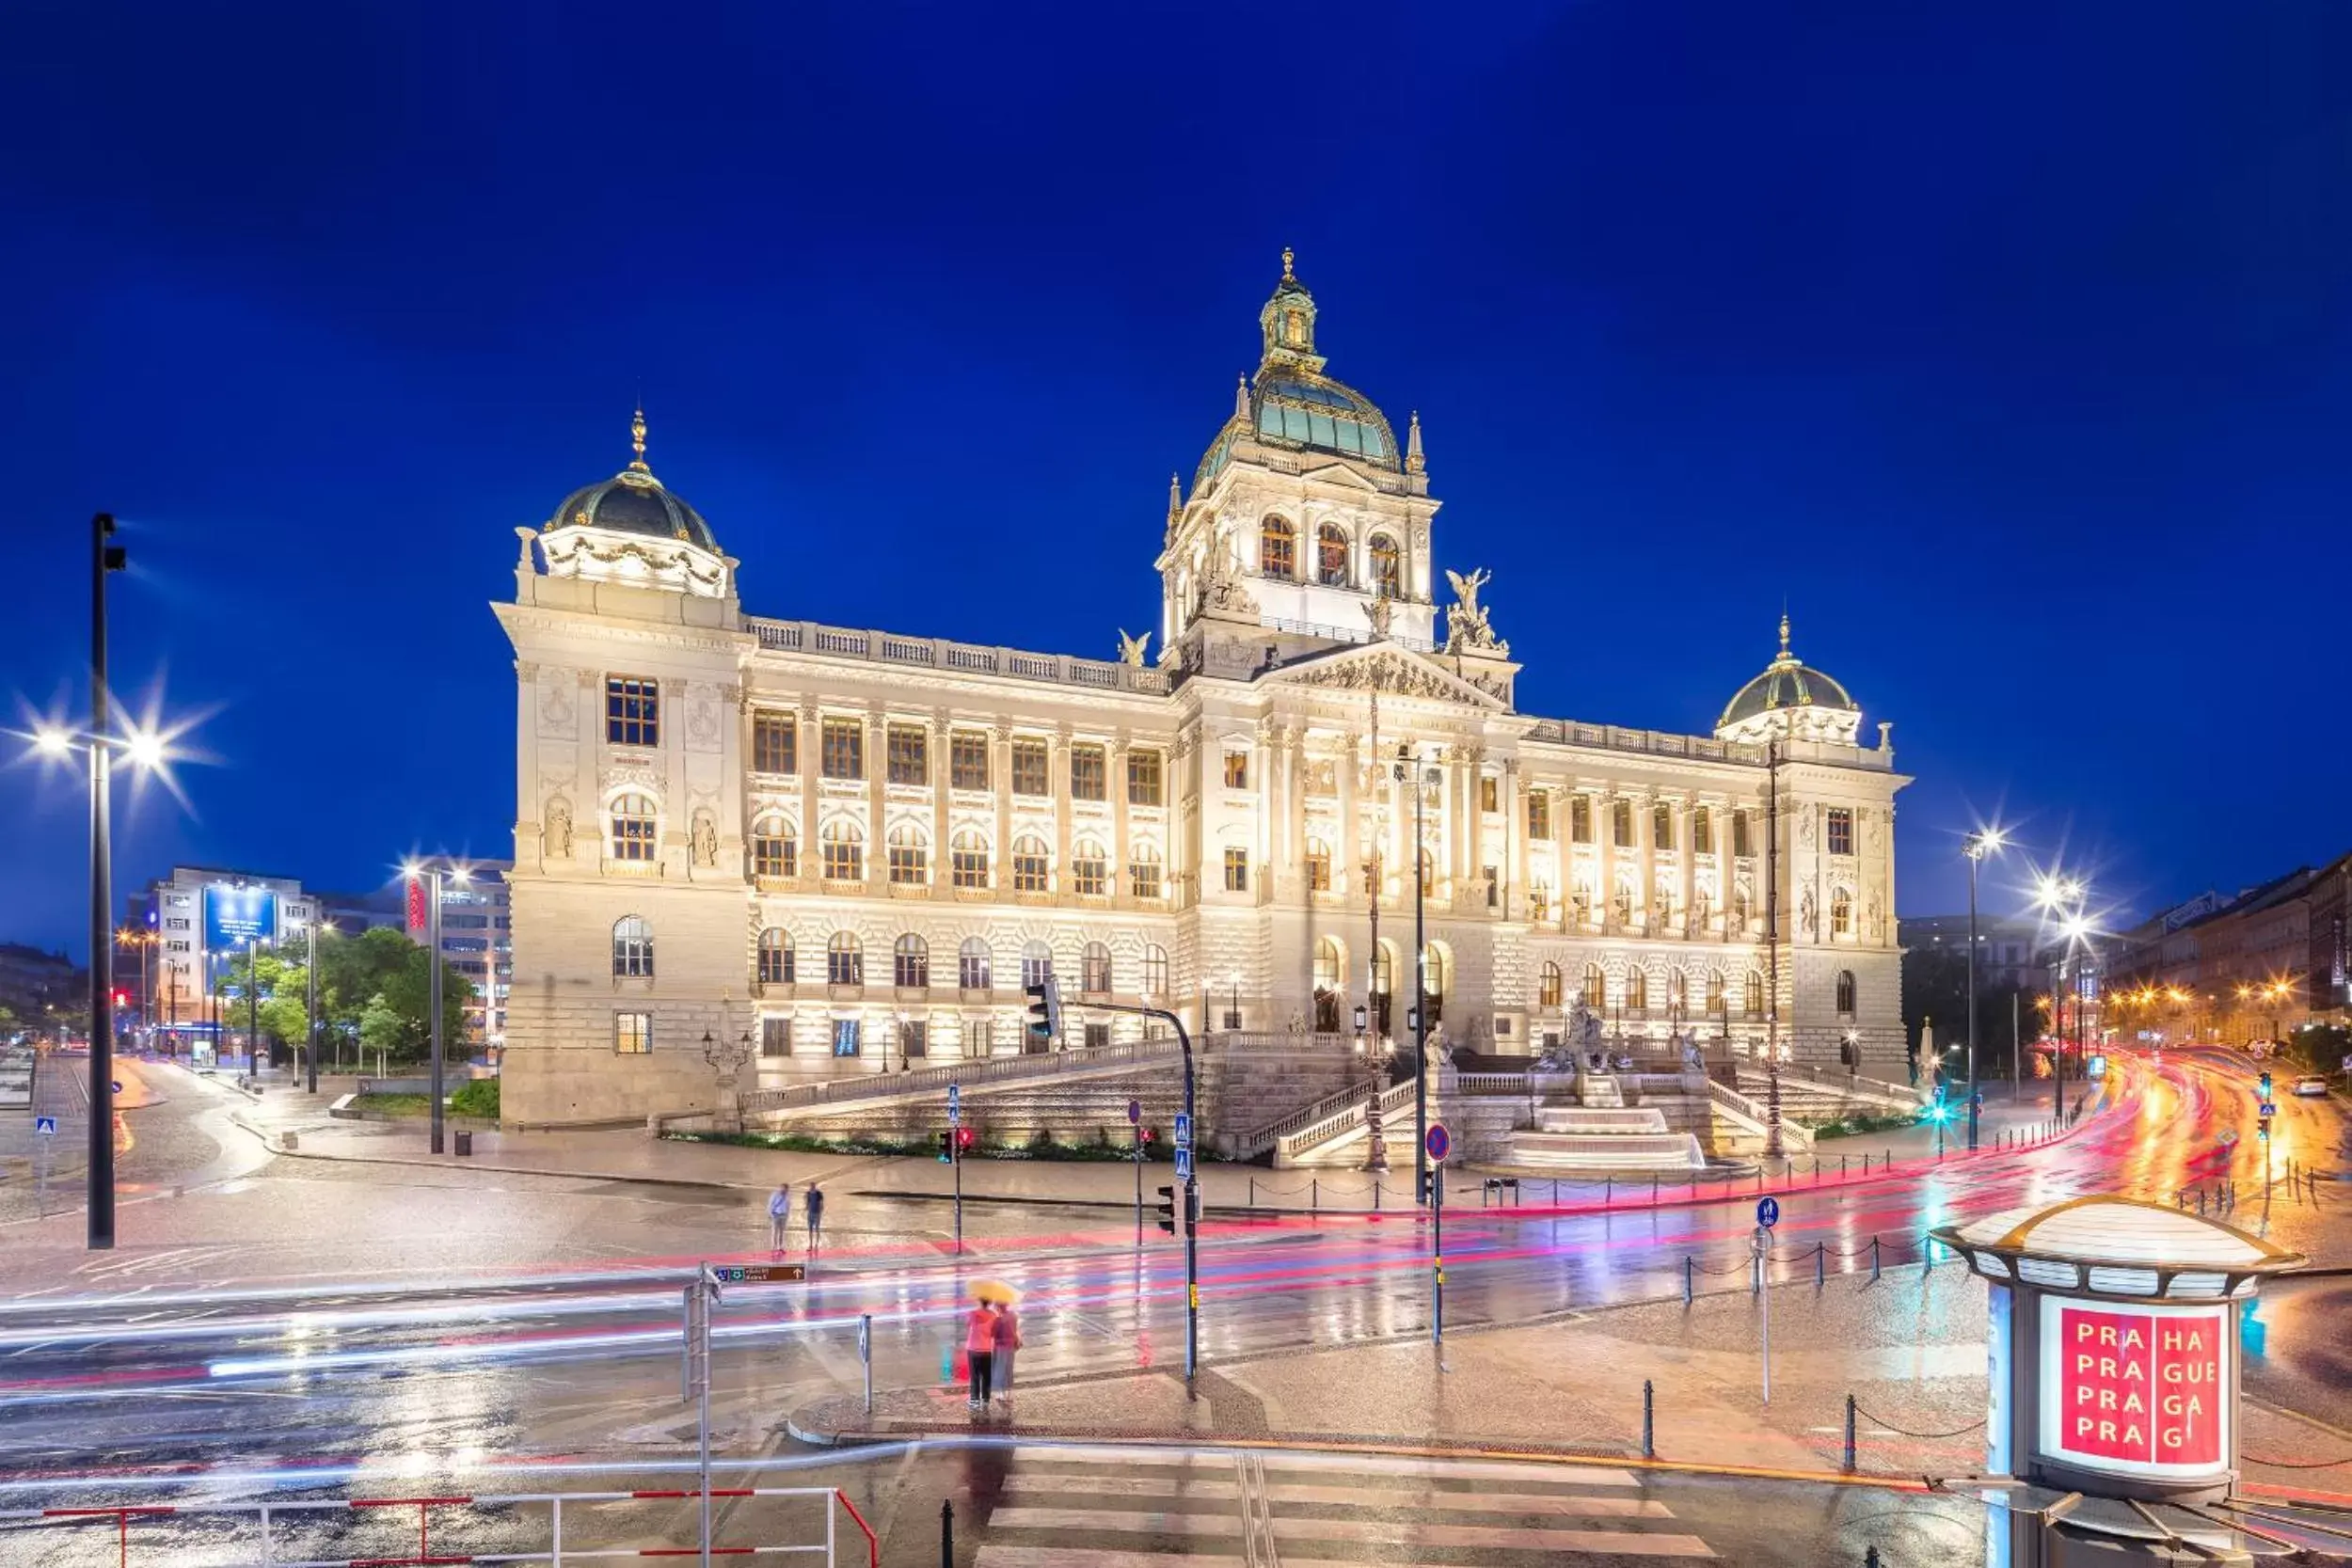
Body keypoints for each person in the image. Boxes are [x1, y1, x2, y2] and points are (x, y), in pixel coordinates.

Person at [964, 1300, 998, 1410]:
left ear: (979, 1301)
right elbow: (993, 1333)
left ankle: (974, 1400)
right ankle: (985, 1399)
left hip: (973, 1349)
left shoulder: (973, 1314)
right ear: (989, 1302)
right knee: (986, 1376)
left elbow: (968, 1324)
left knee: (975, 1376)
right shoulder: (993, 1315)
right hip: (986, 1349)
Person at [991, 1299, 1022, 1404]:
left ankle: (1001, 1394)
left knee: (1000, 1370)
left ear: (998, 1308)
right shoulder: (1013, 1315)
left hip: (1000, 1348)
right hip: (1011, 1346)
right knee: (1009, 1370)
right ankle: (1009, 1394)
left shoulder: (998, 1320)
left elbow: (992, 1334)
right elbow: (1015, 1329)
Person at [767, 1180, 792, 1255]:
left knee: (781, 1232)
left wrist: (787, 1216)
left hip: (783, 1215)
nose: (786, 1190)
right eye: (784, 1188)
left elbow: (788, 1206)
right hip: (776, 1215)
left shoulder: (787, 1196)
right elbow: (770, 1204)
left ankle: (780, 1247)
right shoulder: (775, 1194)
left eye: (787, 1189)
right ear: (781, 1188)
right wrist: (770, 1214)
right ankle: (773, 1247)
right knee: (775, 1231)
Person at [804, 1182, 825, 1253]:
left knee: (817, 1228)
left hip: (817, 1213)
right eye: (810, 1186)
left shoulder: (819, 1194)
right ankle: (810, 1245)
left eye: (812, 1186)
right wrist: (806, 1208)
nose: (811, 1187)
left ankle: (816, 1244)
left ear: (814, 1186)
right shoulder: (808, 1193)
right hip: (810, 1213)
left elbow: (822, 1204)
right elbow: (807, 1202)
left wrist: (820, 1212)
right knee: (810, 1229)